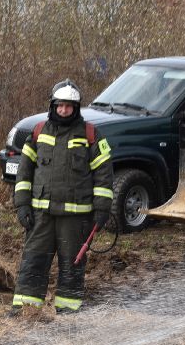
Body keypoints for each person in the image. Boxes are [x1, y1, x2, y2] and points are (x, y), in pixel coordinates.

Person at [10, 80, 114, 314]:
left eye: (68, 106)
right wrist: (22, 205)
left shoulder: (91, 135)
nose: (64, 110)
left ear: (76, 108)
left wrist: (102, 209)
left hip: (75, 218)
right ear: (53, 106)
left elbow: (104, 174)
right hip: (41, 216)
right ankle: (25, 310)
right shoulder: (38, 133)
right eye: (60, 106)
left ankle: (68, 312)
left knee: (72, 265)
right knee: (33, 261)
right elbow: (23, 173)